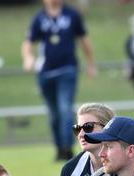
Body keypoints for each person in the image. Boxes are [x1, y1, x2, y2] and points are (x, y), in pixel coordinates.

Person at [22, 0, 98, 161]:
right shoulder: (39, 18)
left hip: (67, 70)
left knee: (65, 108)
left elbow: (83, 39)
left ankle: (67, 147)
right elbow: (28, 42)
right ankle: (58, 147)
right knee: (54, 113)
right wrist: (28, 58)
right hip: (46, 73)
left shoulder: (71, 15)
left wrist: (91, 63)